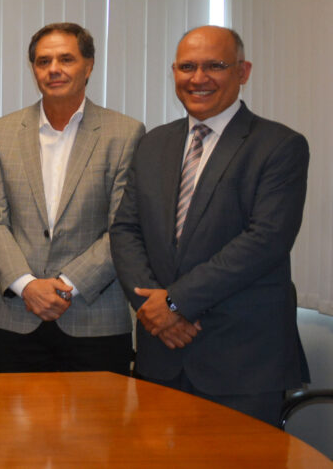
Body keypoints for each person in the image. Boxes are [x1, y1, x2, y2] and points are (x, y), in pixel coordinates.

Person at [112, 25, 309, 426]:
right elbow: (125, 230)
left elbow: (265, 241)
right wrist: (153, 312)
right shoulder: (154, 143)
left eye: (214, 66)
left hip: (241, 362)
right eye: (187, 67)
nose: (198, 78)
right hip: (161, 355)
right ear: (173, 72)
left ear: (243, 71)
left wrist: (174, 304)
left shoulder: (279, 145)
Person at [0, 23, 143, 374]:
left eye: (66, 59)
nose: (53, 69)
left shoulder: (125, 133)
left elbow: (123, 228)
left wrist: (65, 286)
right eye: (43, 61)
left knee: (97, 429)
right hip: (18, 318)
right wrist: (27, 286)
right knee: (14, 429)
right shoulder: (1, 132)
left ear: (88, 66)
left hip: (95, 316)